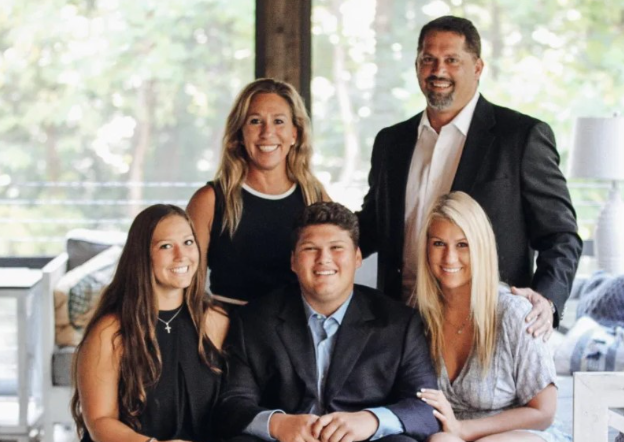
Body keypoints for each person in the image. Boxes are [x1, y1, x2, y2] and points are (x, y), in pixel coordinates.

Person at [357, 15, 582, 339]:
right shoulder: (391, 142)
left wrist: (545, 301)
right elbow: (374, 224)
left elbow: (561, 236)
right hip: (401, 323)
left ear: (477, 67)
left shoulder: (520, 137)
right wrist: (319, 241)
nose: (438, 70)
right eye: (428, 59)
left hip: (486, 326)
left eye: (452, 60)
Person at [215, 202, 439, 442]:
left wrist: (371, 420)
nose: (324, 259)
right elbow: (233, 403)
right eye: (310, 249)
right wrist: (278, 424)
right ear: (293, 261)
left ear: (357, 257)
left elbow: (425, 408)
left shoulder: (400, 322)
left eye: (336, 248)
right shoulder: (253, 320)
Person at [415, 192, 568, 442]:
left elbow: (544, 412)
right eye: (438, 244)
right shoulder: (420, 318)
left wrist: (463, 430)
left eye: (462, 245)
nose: (449, 257)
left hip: (521, 435)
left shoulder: (514, 313)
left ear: (481, 247)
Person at [71, 204, 229, 442]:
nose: (182, 255)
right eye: (166, 246)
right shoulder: (110, 331)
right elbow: (100, 422)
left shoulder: (216, 321)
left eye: (188, 242)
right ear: (142, 255)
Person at [187, 78, 327, 307]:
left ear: (295, 134)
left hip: (295, 334)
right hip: (229, 332)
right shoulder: (209, 200)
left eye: (279, 121)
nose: (267, 132)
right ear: (239, 134)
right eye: (255, 121)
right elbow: (187, 286)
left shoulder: (314, 195)